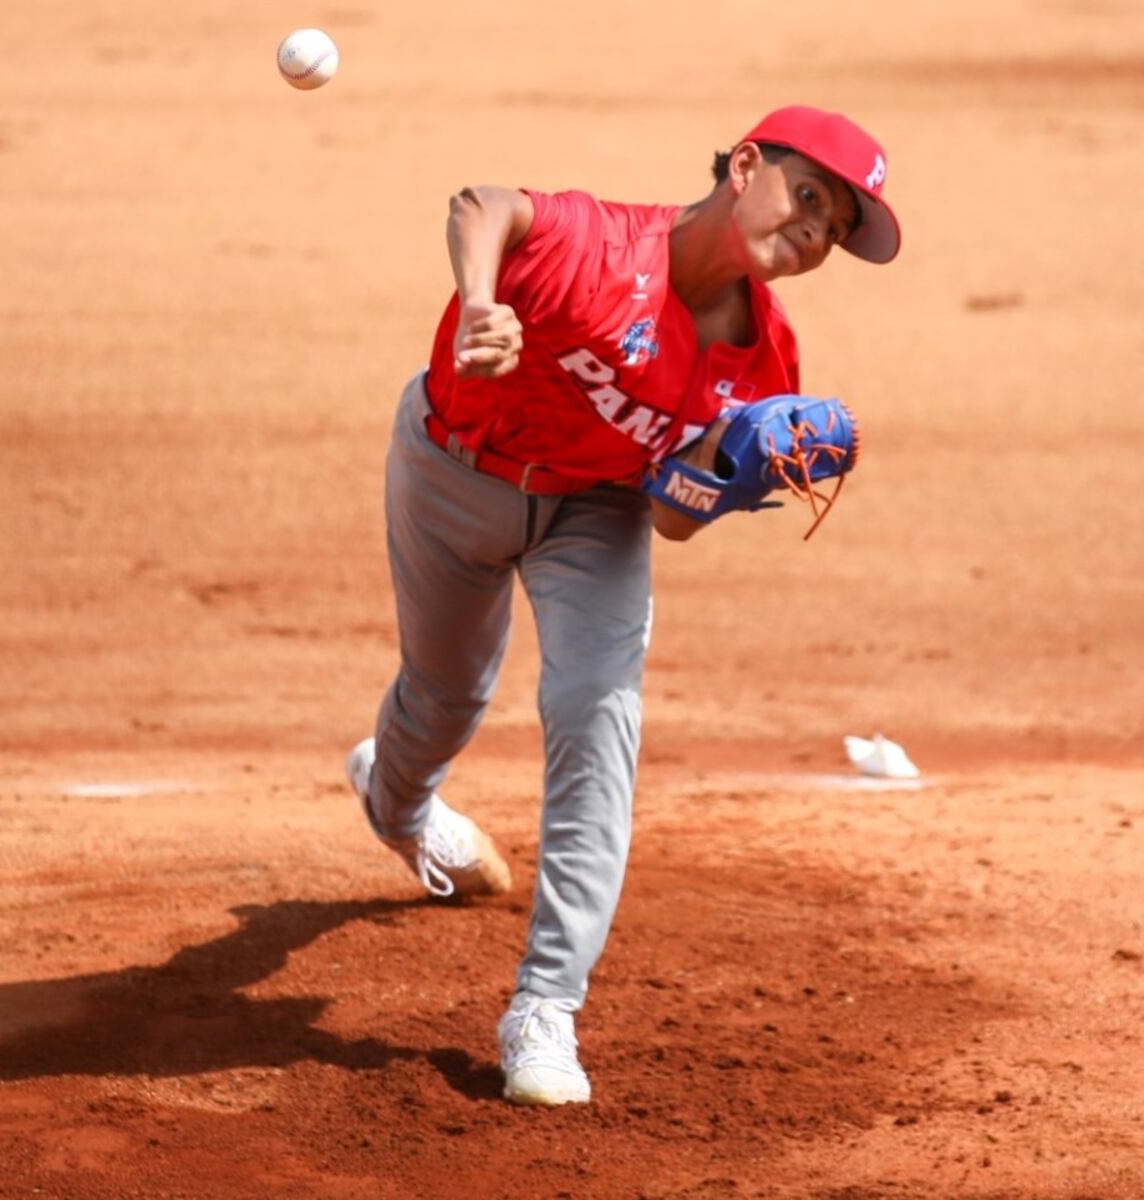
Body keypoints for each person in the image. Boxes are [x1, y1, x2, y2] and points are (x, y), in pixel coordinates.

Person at [346, 105, 901, 1106]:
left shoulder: (766, 364)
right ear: (745, 166)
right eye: (809, 196)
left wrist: (718, 472)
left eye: (834, 229)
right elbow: (482, 204)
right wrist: (479, 304)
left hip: (595, 511)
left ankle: (546, 1007)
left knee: (597, 716)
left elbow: (670, 519)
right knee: (445, 695)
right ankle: (402, 809)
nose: (815, 231)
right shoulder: (602, 246)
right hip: (452, 473)